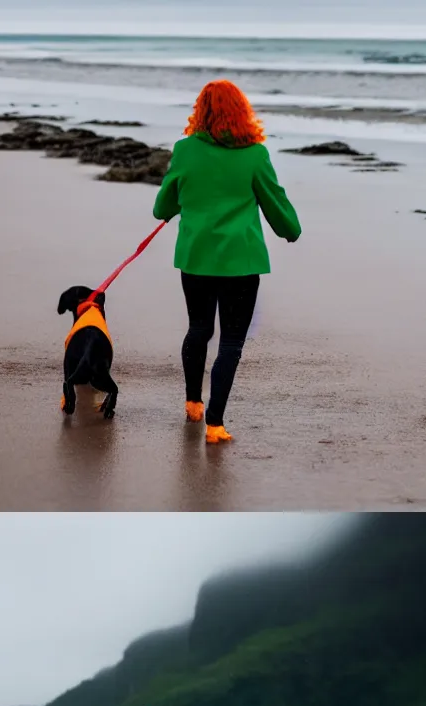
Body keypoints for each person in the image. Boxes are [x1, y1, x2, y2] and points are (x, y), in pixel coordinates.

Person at [153, 79, 300, 443]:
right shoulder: (255, 154)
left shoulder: (184, 150)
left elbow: (163, 207)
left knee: (199, 329)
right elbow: (276, 205)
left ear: (200, 110)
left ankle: (192, 403)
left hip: (196, 258)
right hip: (241, 264)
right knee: (231, 343)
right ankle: (215, 425)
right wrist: (290, 230)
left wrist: (182, 202)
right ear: (242, 111)